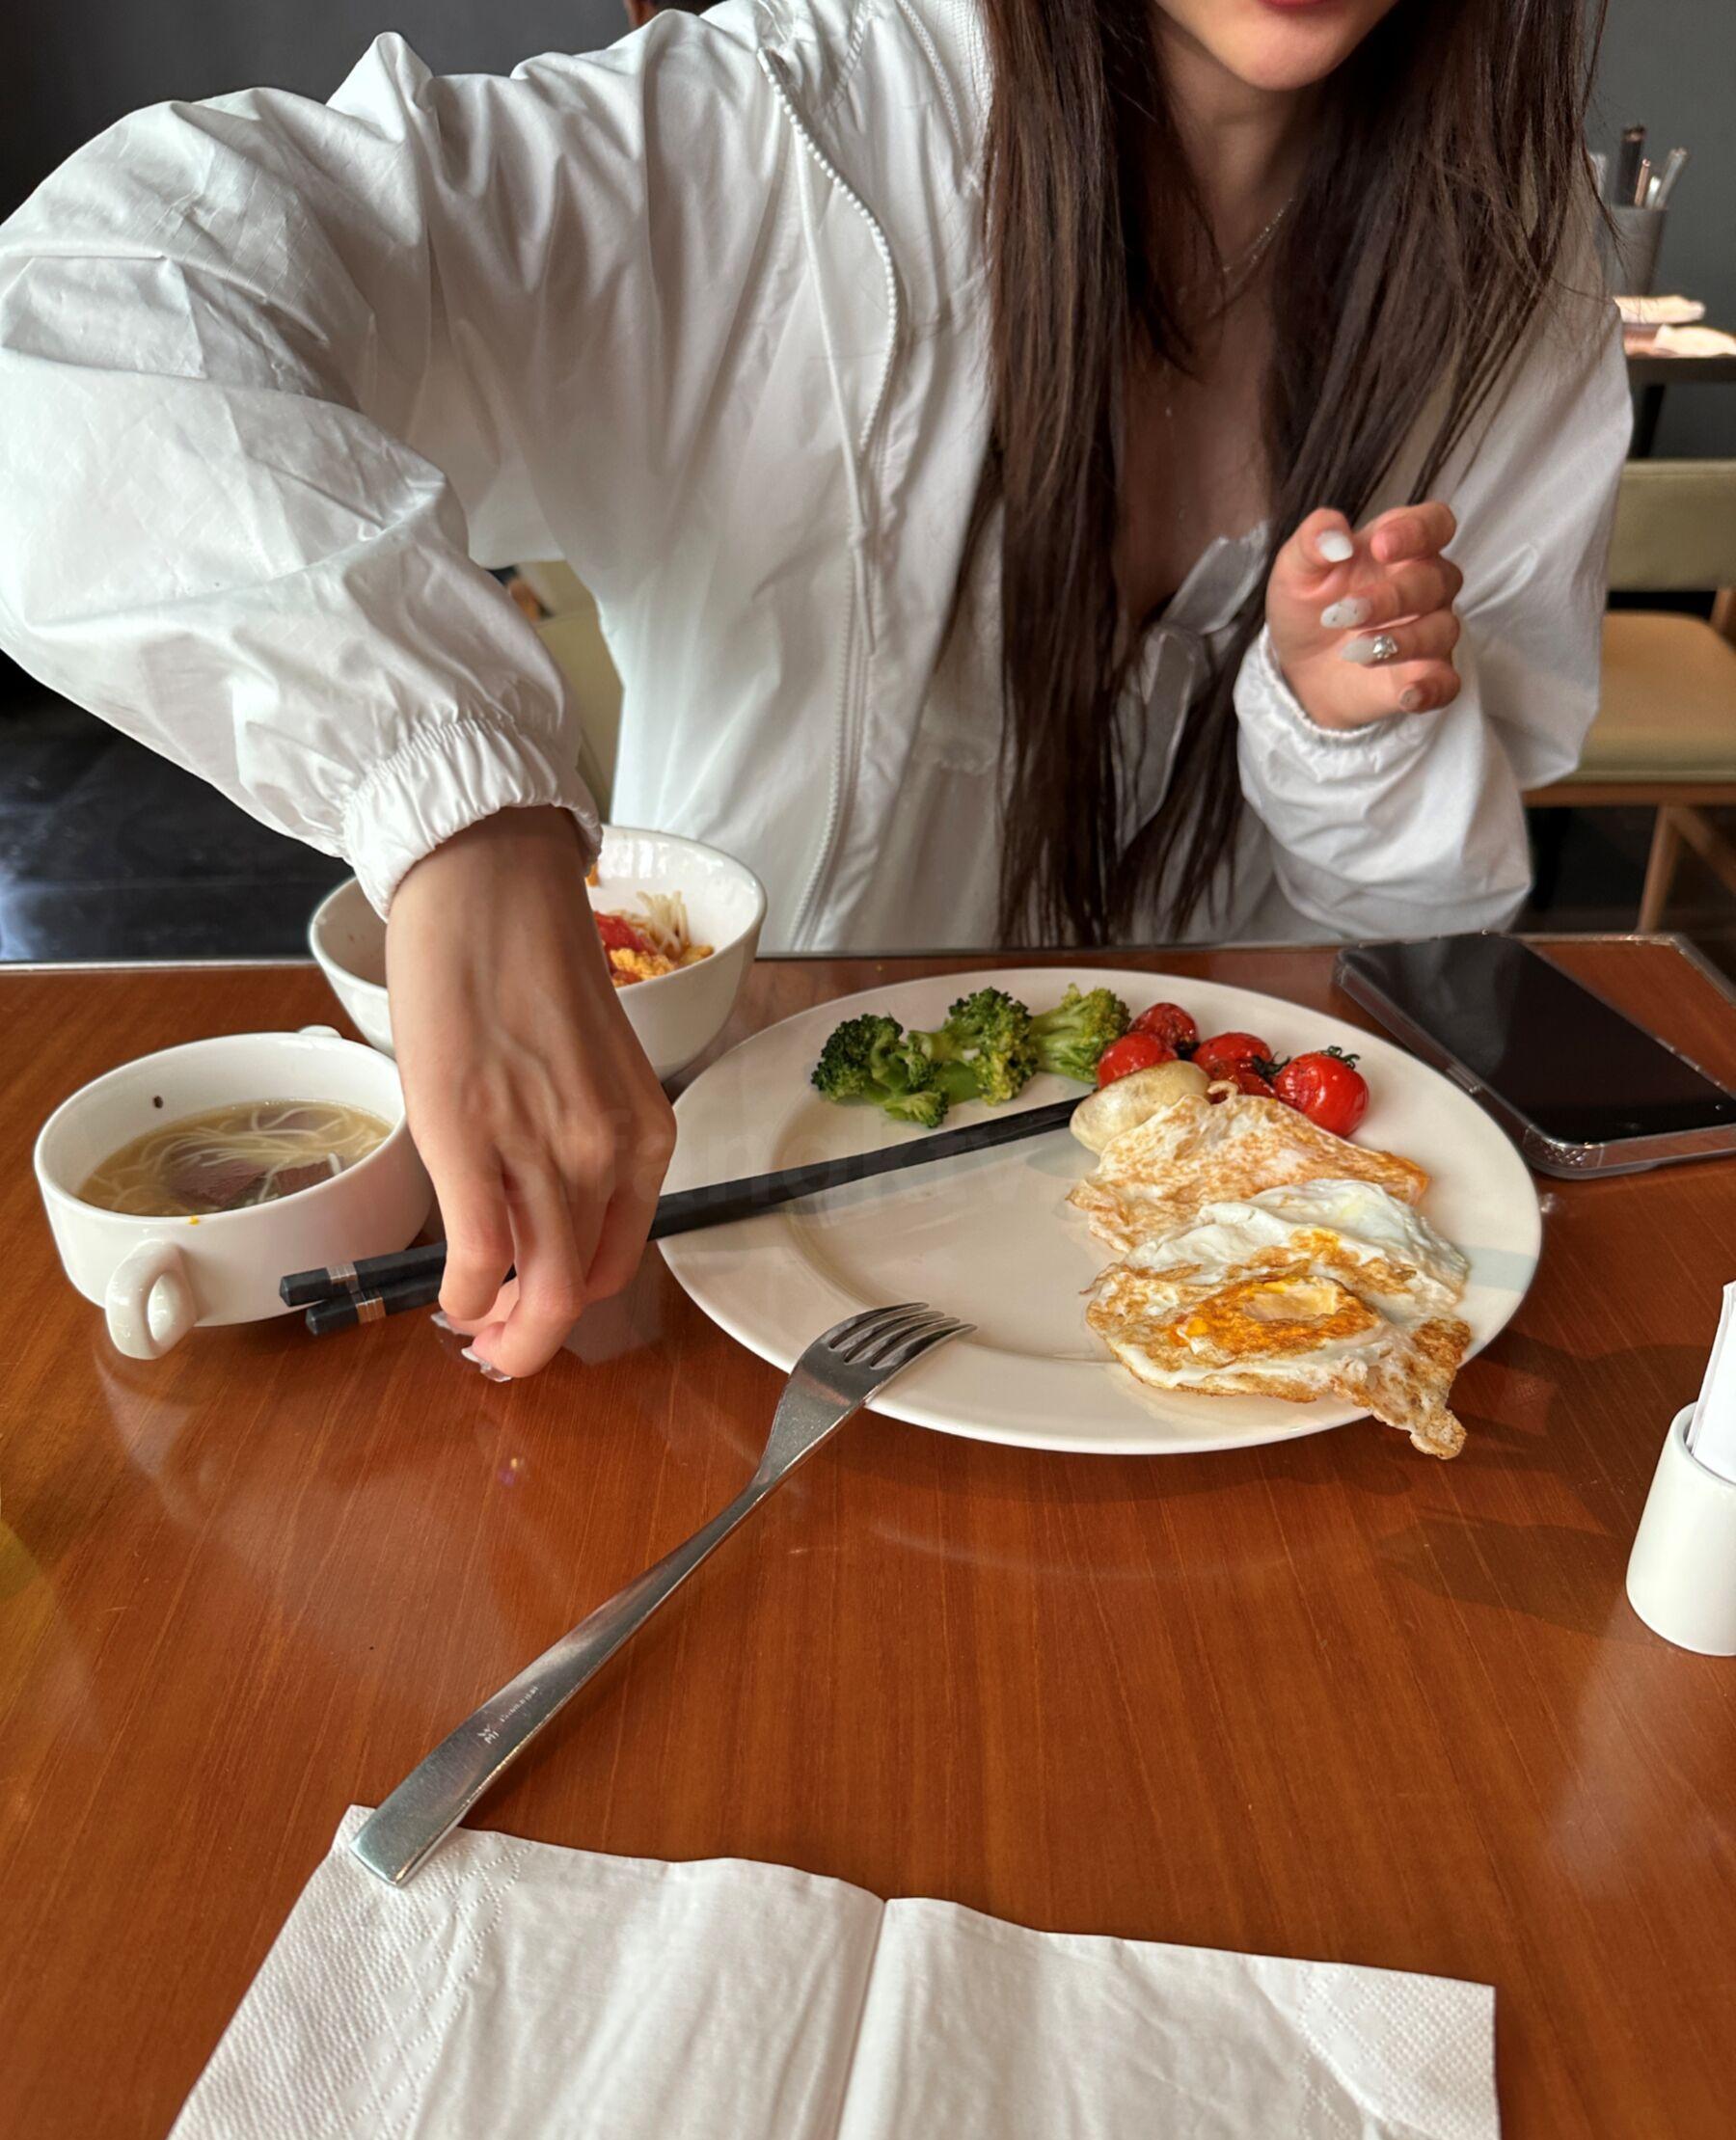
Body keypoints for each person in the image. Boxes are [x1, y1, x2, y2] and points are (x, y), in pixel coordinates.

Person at [0, 0, 1628, 1375]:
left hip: (1246, 1278)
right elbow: (92, 306)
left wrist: (1346, 736)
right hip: (706, 1235)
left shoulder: (1511, 255)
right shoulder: (779, 139)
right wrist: (458, 804)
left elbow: (1424, 942)